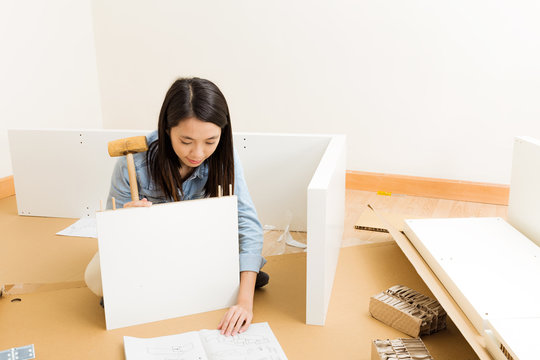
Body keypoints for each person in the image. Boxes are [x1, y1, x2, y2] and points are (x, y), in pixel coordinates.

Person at [84, 77, 268, 336]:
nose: (198, 153)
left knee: (241, 248)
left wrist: (245, 302)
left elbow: (247, 223)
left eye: (210, 141)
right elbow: (110, 233)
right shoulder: (133, 163)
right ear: (167, 129)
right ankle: (219, 277)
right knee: (95, 277)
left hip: (199, 244)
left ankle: (233, 277)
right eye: (186, 141)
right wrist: (126, 221)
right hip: (151, 248)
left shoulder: (225, 157)